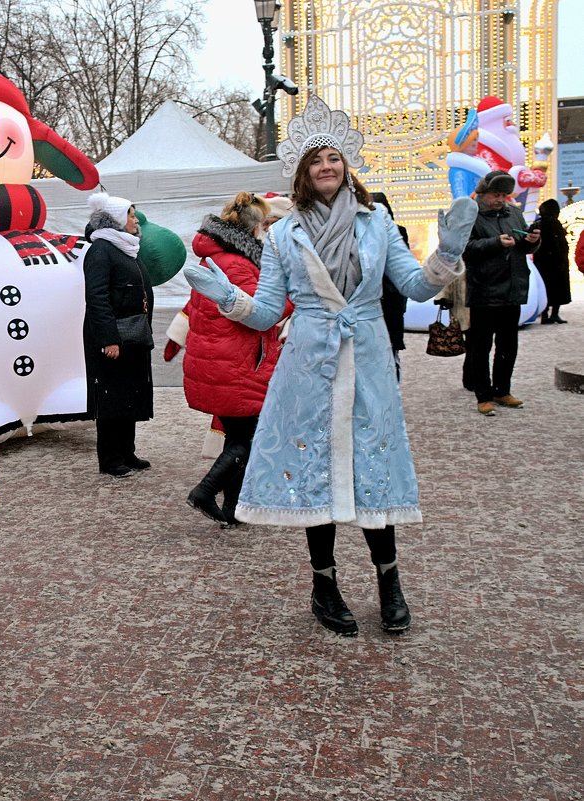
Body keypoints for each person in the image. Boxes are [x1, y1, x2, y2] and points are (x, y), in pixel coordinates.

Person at [184, 95, 477, 636]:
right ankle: (325, 582)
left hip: (366, 358)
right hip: (308, 366)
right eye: (315, 159)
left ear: (347, 167)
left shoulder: (377, 223)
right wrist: (224, 294)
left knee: (372, 469)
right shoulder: (280, 234)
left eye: (334, 158)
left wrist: (448, 252)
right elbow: (269, 311)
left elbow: (414, 287)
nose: (326, 166)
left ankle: (389, 580)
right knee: (315, 475)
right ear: (302, 171)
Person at [166, 192, 289, 525]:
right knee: (250, 438)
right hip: (238, 364)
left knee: (238, 436)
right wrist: (292, 295)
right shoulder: (240, 264)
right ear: (254, 229)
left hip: (217, 362)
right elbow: (266, 309)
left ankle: (234, 508)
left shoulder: (215, 258)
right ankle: (205, 491)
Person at [82, 192, 154, 478]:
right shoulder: (101, 250)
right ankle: (110, 458)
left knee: (129, 393)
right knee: (112, 395)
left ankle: (126, 451)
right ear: (116, 220)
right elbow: (97, 297)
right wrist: (108, 338)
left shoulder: (125, 247)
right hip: (114, 336)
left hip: (133, 333)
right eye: (131, 215)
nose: (136, 220)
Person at [461, 170, 540, 416]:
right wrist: (495, 242)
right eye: (496, 195)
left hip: (511, 289)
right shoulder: (469, 215)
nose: (500, 199)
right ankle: (483, 396)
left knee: (509, 345)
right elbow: (464, 249)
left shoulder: (514, 213)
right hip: (484, 290)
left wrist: (532, 239)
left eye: (504, 195)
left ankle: (502, 390)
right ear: (482, 195)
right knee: (480, 347)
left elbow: (525, 242)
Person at [370, 192, 410, 377]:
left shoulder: (397, 231)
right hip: (371, 298)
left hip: (391, 297)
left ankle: (393, 383)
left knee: (391, 346)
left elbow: (401, 264)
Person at [532, 198, 571, 324]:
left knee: (546, 288)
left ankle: (545, 315)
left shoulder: (538, 223)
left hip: (543, 263)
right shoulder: (554, 224)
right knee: (557, 288)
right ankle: (554, 314)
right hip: (556, 262)